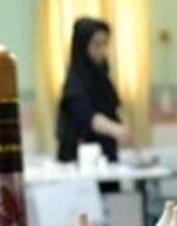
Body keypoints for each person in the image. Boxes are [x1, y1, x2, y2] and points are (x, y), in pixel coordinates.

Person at [56, 17, 132, 164]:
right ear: (82, 46)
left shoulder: (102, 76)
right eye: (96, 45)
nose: (102, 50)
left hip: (105, 154)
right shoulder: (75, 80)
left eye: (105, 44)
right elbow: (86, 115)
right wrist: (115, 129)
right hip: (81, 159)